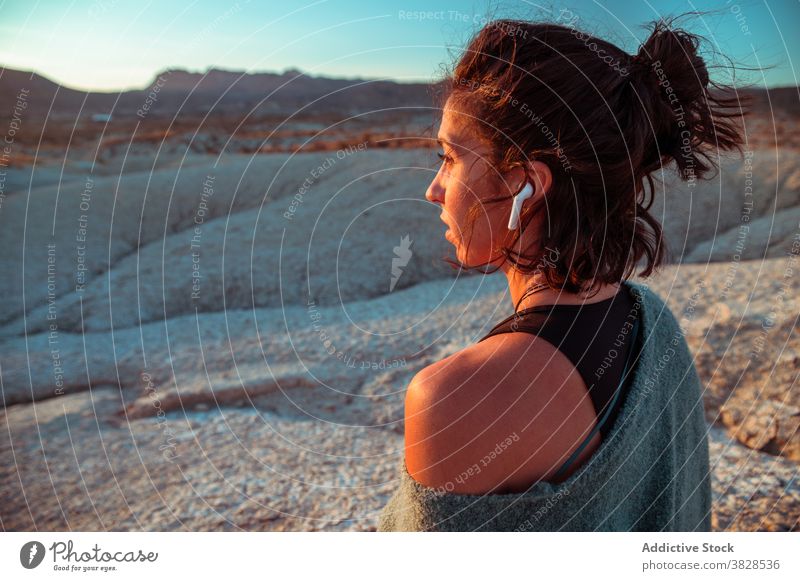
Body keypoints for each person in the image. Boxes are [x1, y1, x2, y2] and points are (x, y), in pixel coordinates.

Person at [378, 15, 746, 531]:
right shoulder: (656, 325)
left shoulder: (455, 400)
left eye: (450, 158)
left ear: (525, 185)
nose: (433, 189)